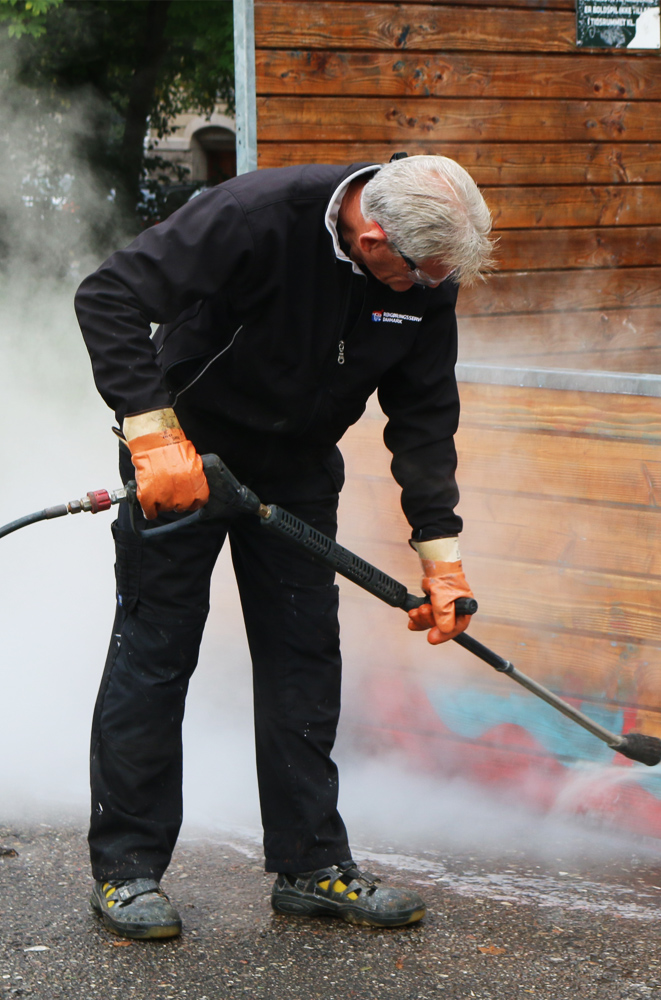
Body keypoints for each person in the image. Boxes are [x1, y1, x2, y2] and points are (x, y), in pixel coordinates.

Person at [74, 154, 495, 940]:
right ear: (371, 237)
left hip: (297, 469)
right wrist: (149, 429)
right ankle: (127, 873)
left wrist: (443, 558)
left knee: (305, 657)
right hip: (186, 460)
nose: (430, 289)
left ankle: (310, 865)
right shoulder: (255, 215)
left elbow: (425, 413)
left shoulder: (425, 273)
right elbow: (109, 296)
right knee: (156, 654)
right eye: (417, 275)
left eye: (441, 278)